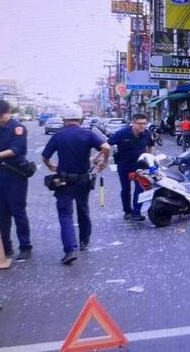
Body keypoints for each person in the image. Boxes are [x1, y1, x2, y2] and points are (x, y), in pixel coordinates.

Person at [41, 106, 111, 265]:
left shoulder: (58, 136)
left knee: (65, 214)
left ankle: (70, 249)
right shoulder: (87, 134)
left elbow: (45, 157)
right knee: (83, 209)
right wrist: (104, 161)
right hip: (83, 179)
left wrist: (50, 165)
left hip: (64, 181)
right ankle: (84, 241)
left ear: (64, 120)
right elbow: (106, 147)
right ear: (81, 119)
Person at [0, 99, 32, 261]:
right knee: (2, 212)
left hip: (15, 174)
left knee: (18, 211)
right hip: (0, 175)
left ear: (7, 111)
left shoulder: (17, 128)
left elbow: (15, 150)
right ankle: (5, 245)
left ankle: (25, 246)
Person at [108, 114, 152, 222]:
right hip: (124, 165)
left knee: (140, 188)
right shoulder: (122, 133)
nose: (142, 126)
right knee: (125, 189)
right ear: (133, 123)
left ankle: (136, 213)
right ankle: (127, 211)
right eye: (140, 124)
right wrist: (98, 157)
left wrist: (149, 158)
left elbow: (151, 145)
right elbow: (107, 144)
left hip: (139, 166)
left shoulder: (147, 133)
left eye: (144, 124)